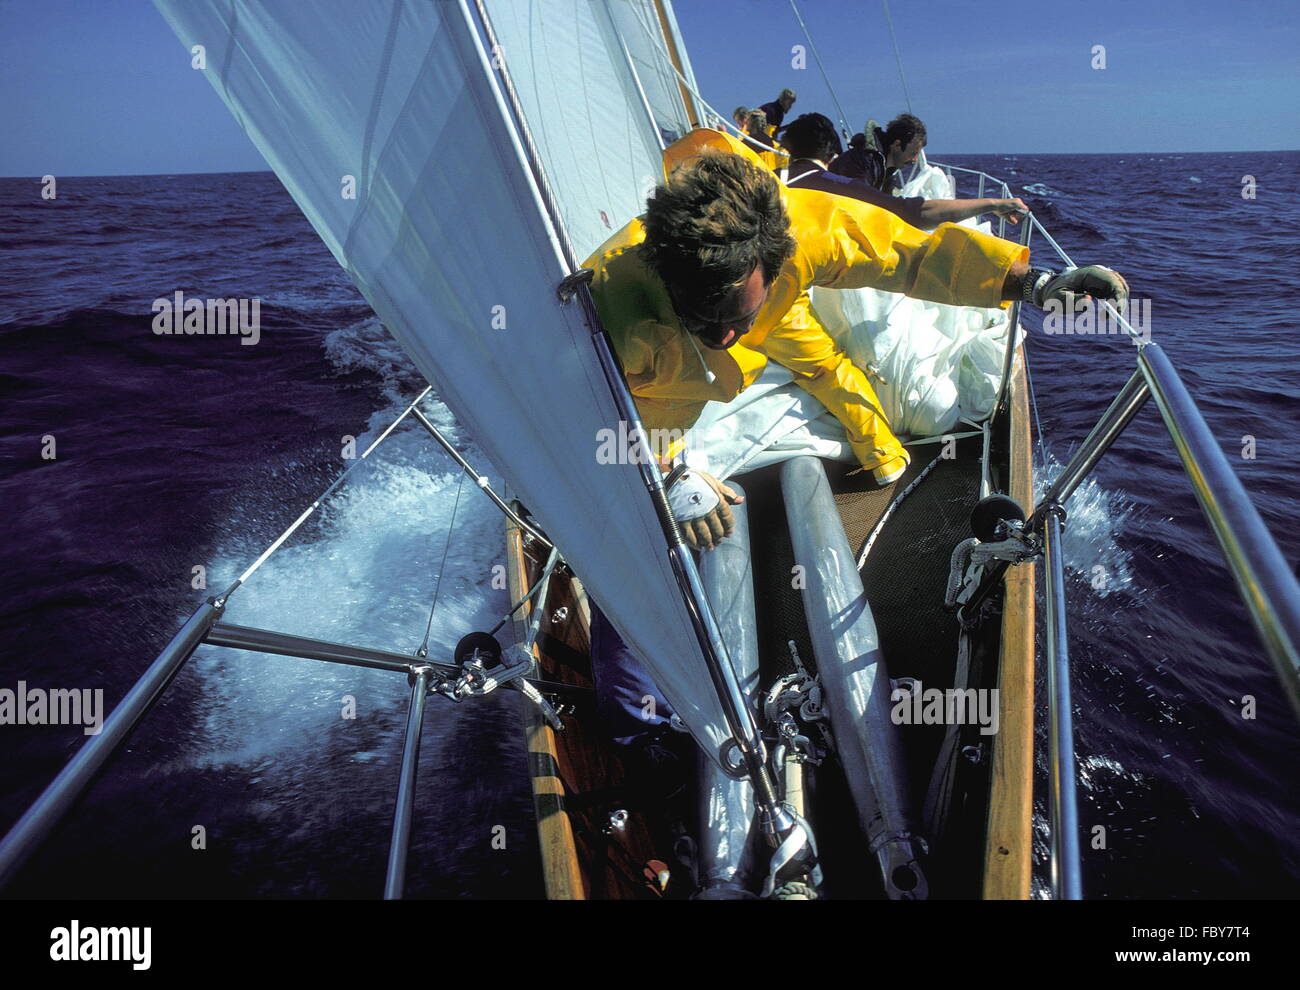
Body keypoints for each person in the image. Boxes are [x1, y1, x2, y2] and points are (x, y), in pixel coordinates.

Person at [780, 113, 1029, 229]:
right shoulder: (862, 162)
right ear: (896, 144)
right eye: (912, 152)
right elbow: (897, 211)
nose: (913, 159)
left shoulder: (881, 168)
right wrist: (991, 203)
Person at [831, 113, 926, 192]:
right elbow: (860, 199)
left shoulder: (887, 169)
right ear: (897, 145)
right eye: (913, 153)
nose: (915, 160)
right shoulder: (862, 160)